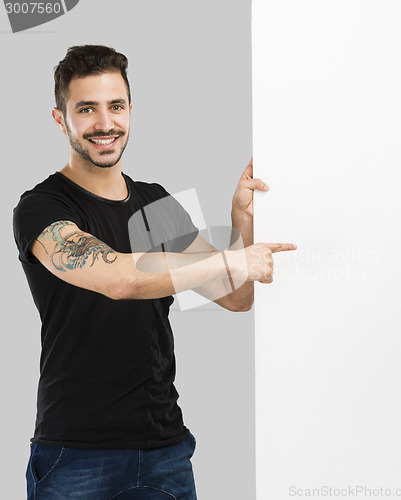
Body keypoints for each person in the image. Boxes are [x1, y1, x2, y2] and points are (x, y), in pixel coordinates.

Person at [12, 45, 296, 500]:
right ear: (60, 119)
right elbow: (119, 279)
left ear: (130, 111)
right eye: (86, 109)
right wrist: (231, 259)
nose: (105, 123)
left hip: (165, 451)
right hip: (76, 453)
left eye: (116, 106)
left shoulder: (154, 203)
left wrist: (240, 218)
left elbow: (236, 297)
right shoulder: (43, 207)